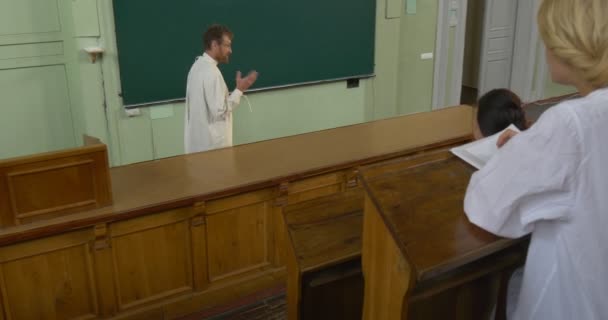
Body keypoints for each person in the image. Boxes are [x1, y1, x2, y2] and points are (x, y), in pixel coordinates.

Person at [464, 0, 608, 318]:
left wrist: (519, 154)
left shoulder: (570, 123)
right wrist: (532, 146)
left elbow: (488, 205)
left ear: (567, 45)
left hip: (570, 302)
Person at [184, 24, 258, 153]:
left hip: (198, 146)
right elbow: (220, 111)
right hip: (213, 149)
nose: (230, 50)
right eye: (227, 45)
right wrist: (239, 90)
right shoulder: (212, 73)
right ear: (214, 45)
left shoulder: (196, 67)